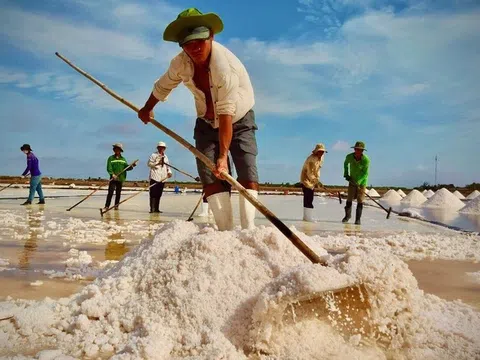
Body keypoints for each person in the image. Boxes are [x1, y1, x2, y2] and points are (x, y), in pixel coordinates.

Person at [138, 8, 259, 231]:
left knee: (246, 169)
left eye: (198, 42)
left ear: (210, 36)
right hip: (205, 121)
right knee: (209, 174)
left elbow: (226, 113)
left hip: (238, 119)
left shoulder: (225, 68)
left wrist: (223, 156)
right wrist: (147, 108)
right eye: (187, 44)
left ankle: (248, 230)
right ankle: (225, 231)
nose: (194, 48)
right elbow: (163, 85)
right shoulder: (180, 63)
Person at [342, 141, 370, 225]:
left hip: (362, 182)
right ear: (354, 149)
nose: (358, 151)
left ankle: (358, 219)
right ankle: (347, 216)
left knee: (360, 200)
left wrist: (359, 182)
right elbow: (345, 164)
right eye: (357, 149)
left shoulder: (366, 160)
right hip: (352, 180)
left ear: (362, 151)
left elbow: (365, 174)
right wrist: (346, 174)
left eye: (360, 150)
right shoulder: (349, 157)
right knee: (349, 198)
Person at [103, 143, 136, 211]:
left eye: (118, 149)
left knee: (118, 193)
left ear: (120, 150)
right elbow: (109, 167)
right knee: (110, 192)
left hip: (120, 178)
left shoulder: (123, 159)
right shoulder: (111, 158)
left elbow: (126, 168)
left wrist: (132, 166)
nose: (117, 150)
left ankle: (116, 206)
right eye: (115, 149)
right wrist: (112, 174)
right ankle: (107, 206)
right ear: (114, 150)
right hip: (113, 178)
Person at [300, 143, 327, 222]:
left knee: (309, 198)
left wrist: (317, 180)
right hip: (306, 179)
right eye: (320, 151)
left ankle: (306, 217)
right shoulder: (311, 159)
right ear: (316, 151)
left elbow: (318, 170)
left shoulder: (321, 158)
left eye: (323, 152)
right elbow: (309, 173)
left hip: (313, 180)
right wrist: (316, 181)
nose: (321, 153)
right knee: (308, 198)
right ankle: (308, 218)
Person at [147, 141, 173, 213]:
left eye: (163, 148)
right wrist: (157, 163)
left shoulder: (166, 156)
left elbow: (168, 166)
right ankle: (152, 209)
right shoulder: (153, 155)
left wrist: (169, 172)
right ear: (158, 148)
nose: (162, 149)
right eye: (160, 147)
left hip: (163, 177)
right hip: (155, 176)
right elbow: (149, 164)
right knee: (153, 194)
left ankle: (157, 209)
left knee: (159, 194)